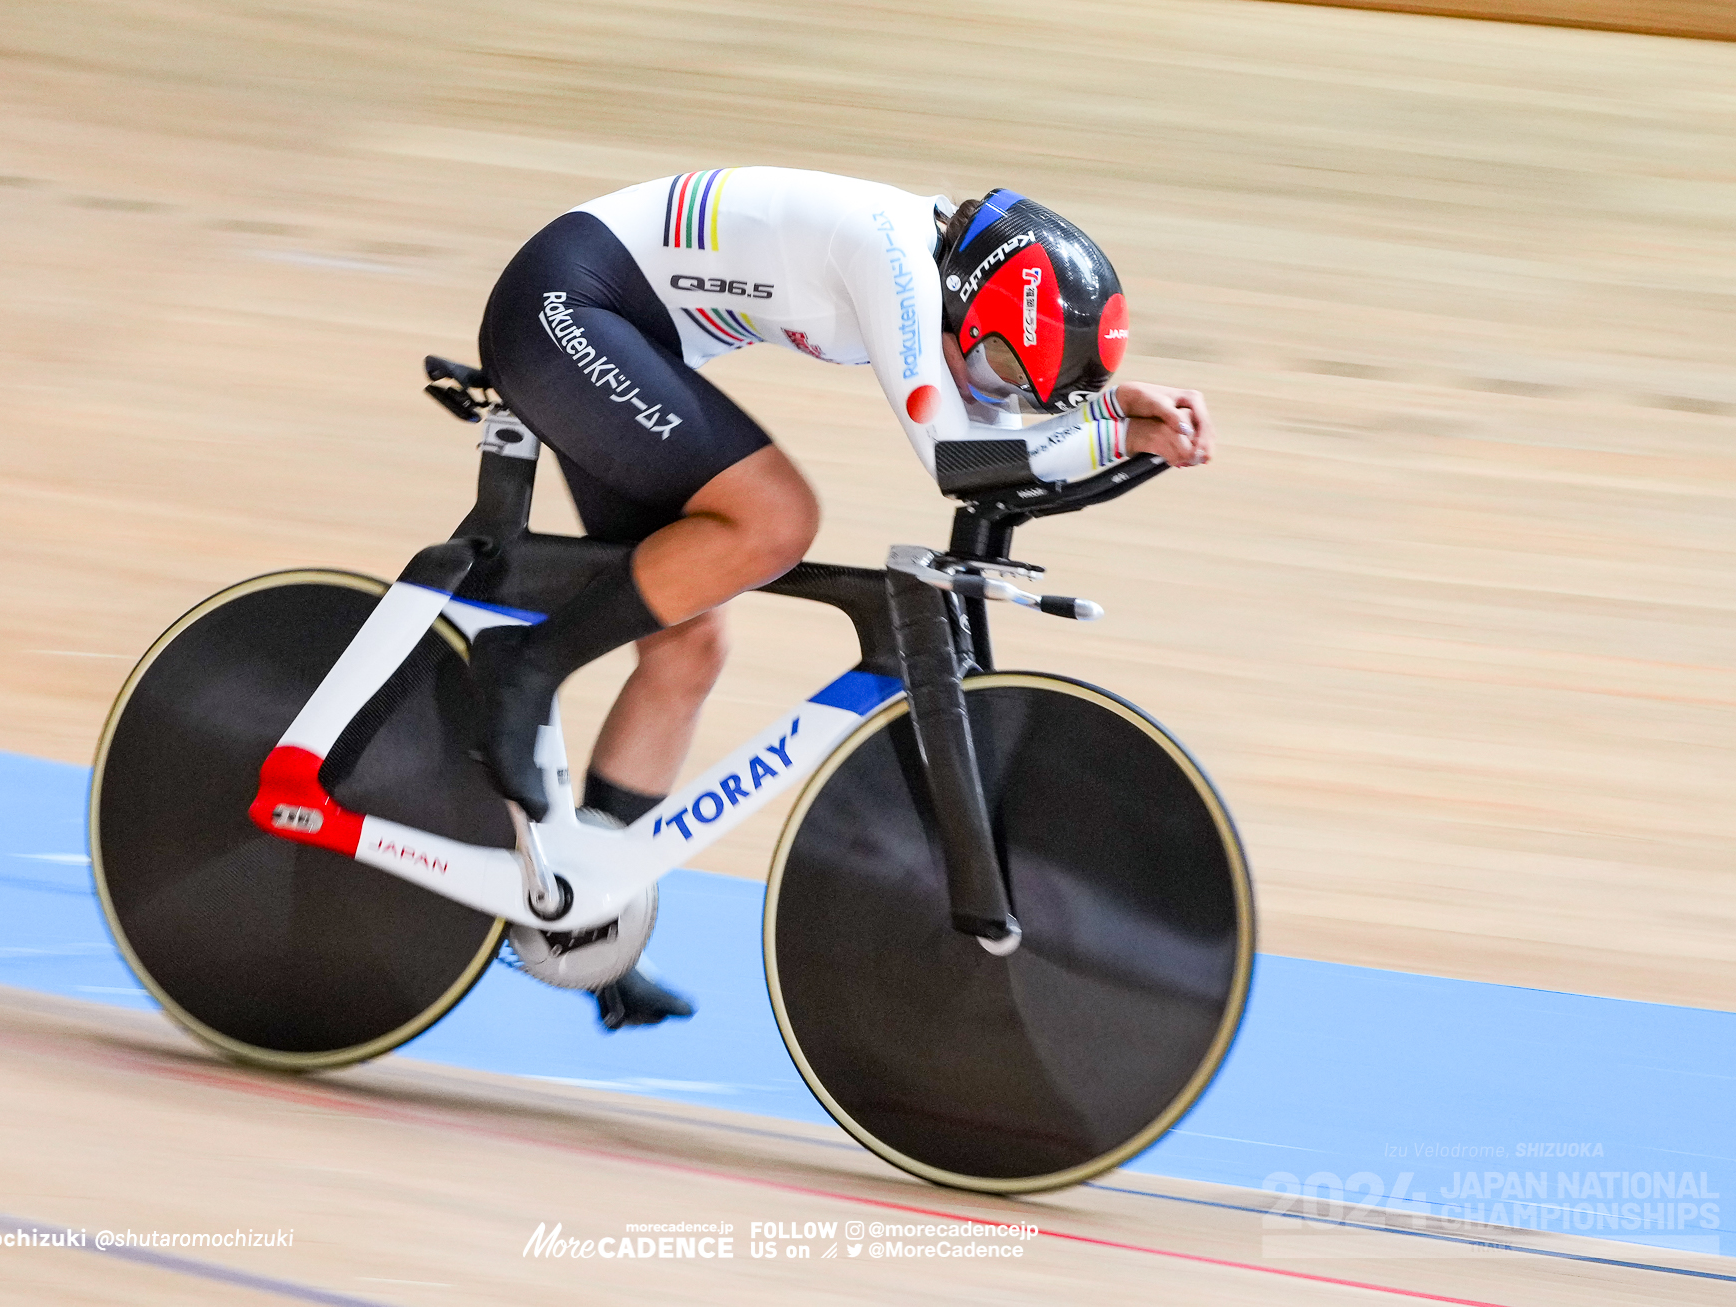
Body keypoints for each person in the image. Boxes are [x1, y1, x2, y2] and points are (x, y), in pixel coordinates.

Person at [471, 169, 1214, 1028]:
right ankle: (524, 666)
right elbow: (954, 458)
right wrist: (1111, 432)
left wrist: (1112, 411)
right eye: (1003, 358)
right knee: (777, 519)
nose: (1000, 381)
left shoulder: (953, 280)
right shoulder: (890, 254)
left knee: (687, 642)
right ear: (970, 298)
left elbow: (996, 431)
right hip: (565, 311)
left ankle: (588, 916)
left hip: (621, 336)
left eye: (1021, 374)